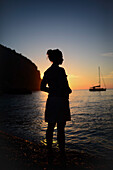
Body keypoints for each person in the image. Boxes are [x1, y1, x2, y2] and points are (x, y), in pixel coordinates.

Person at [41, 49, 72, 154]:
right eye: (61, 57)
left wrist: (52, 90)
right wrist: (65, 90)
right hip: (61, 101)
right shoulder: (61, 71)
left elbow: (42, 87)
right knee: (60, 128)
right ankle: (62, 150)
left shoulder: (47, 72)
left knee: (50, 126)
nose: (63, 59)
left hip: (52, 101)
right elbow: (66, 87)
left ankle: (49, 148)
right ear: (57, 58)